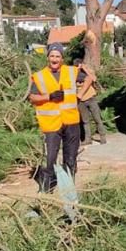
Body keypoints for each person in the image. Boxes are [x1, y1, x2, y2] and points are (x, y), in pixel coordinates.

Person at [29, 43, 90, 191]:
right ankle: (47, 188)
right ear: (48, 57)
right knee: (50, 158)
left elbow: (90, 77)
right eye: (52, 56)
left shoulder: (71, 71)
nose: (54, 58)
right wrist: (48, 96)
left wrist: (80, 95)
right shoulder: (39, 76)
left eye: (57, 56)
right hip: (51, 123)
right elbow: (32, 97)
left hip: (71, 121)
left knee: (70, 157)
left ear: (62, 58)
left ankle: (69, 187)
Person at [73, 58, 107, 145]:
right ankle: (88, 139)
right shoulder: (74, 73)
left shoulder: (88, 71)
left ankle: (103, 137)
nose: (78, 66)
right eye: (77, 65)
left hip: (91, 98)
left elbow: (94, 79)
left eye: (79, 64)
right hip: (80, 100)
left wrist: (85, 69)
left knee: (97, 119)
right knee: (85, 121)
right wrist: (77, 70)